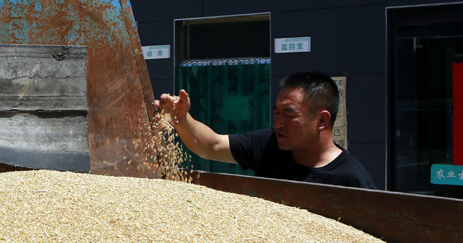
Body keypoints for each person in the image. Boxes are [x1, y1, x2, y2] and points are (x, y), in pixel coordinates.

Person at [153, 70, 376, 188]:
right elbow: (211, 145)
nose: (279, 122)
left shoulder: (351, 181)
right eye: (277, 112)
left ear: (322, 120)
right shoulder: (269, 143)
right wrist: (181, 118)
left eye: (289, 115)